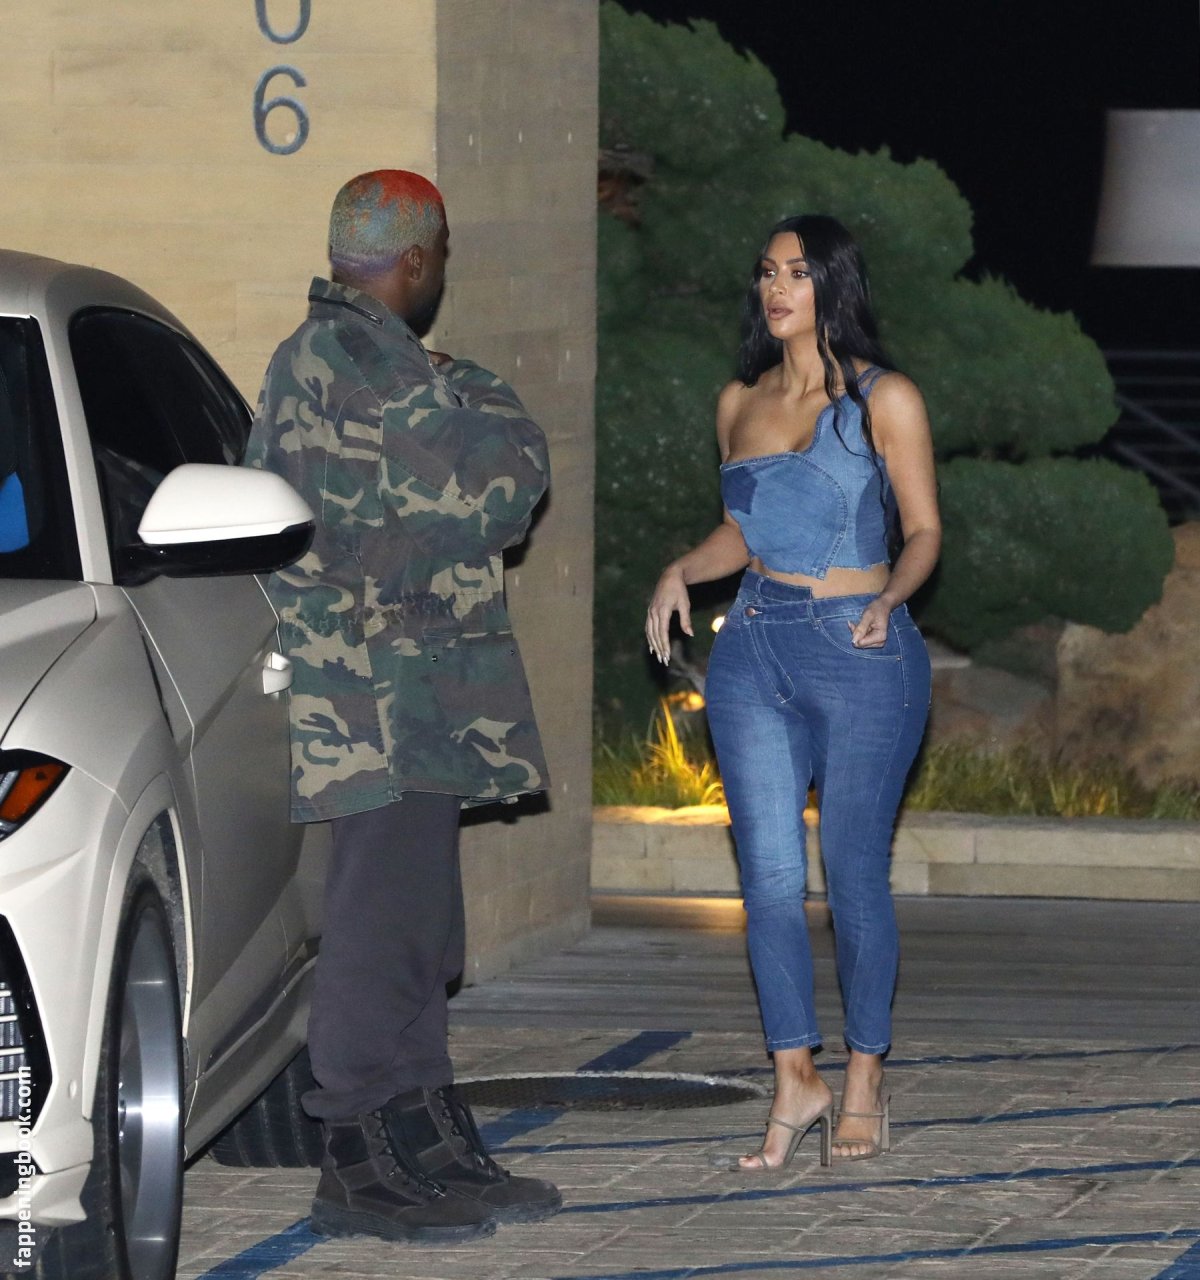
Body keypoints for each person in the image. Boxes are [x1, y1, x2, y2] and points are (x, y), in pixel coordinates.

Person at [245, 169, 561, 1242]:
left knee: (420, 925)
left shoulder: (323, 356)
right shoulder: (374, 363)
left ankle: (421, 1132)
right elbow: (501, 488)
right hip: (376, 698)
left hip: (398, 691)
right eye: (443, 256)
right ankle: (353, 1156)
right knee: (380, 928)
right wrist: (477, 390)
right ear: (417, 259)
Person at [646, 214, 940, 1171]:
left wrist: (890, 597)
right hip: (755, 648)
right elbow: (746, 533)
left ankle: (864, 1077)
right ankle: (794, 1079)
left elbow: (924, 531)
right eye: (767, 273)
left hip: (861, 648)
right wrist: (683, 569)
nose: (776, 289)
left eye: (797, 273)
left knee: (852, 875)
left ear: (832, 286)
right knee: (768, 880)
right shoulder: (738, 401)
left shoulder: (884, 398)